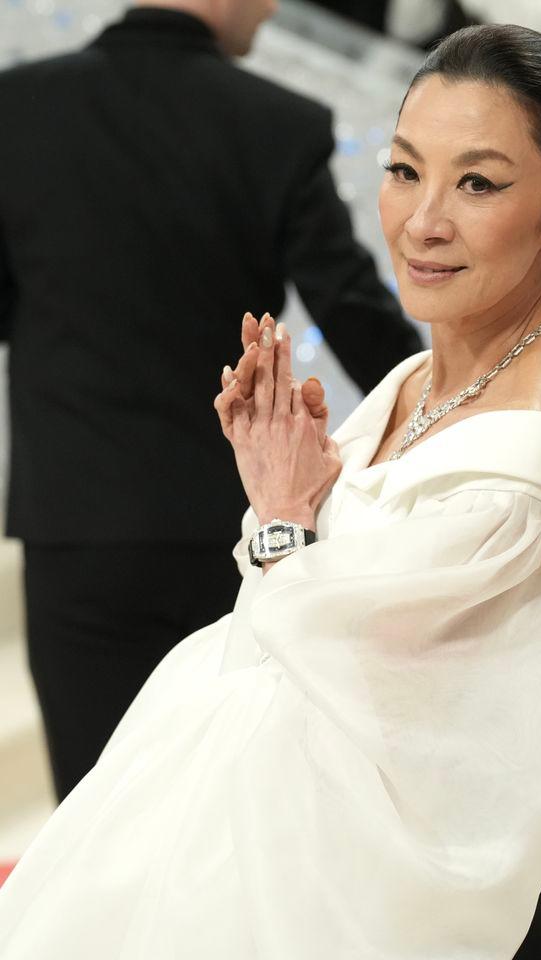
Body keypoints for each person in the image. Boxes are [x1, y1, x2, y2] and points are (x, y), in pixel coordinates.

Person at [0, 24, 541, 959]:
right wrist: (278, 497)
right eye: (405, 170)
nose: (423, 222)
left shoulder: (519, 478)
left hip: (374, 885)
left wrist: (287, 521)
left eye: (479, 182)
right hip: (273, 818)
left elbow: (360, 686)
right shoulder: (408, 387)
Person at [0, 0, 422, 801]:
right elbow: (355, 314)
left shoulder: (15, 108)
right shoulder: (278, 123)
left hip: (74, 523)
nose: (270, 8)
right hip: (228, 529)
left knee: (92, 809)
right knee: (221, 808)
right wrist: (457, 412)